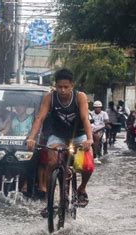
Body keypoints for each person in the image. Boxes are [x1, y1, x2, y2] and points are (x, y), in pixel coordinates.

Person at [26, 68, 94, 213]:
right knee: (52, 162)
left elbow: (84, 118)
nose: (62, 90)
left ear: (72, 86)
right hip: (57, 135)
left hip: (79, 135)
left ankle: (82, 188)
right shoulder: (49, 97)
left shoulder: (80, 97)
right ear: (55, 86)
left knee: (87, 165)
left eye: (66, 87)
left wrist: (89, 139)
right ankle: (50, 198)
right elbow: (40, 118)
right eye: (59, 87)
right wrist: (31, 138)